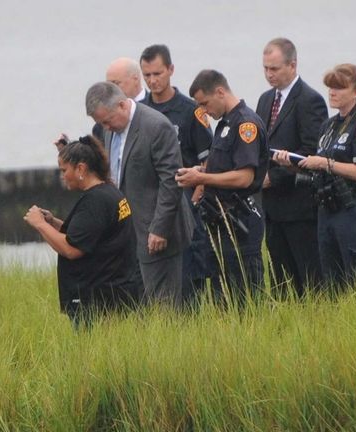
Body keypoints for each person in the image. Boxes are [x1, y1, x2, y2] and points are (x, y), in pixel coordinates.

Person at [273, 63, 356, 289]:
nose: (332, 93)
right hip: (327, 209)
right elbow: (316, 166)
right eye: (330, 87)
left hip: (352, 208)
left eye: (339, 88)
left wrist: (326, 163)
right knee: (332, 281)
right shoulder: (329, 126)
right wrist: (292, 164)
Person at [86, 81, 194, 307]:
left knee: (163, 306)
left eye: (107, 121)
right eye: (100, 123)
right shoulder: (110, 131)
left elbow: (171, 181)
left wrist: (159, 229)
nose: (105, 127)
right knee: (139, 304)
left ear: (122, 105)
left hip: (158, 232)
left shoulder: (156, 126)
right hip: (129, 231)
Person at [24, 135, 142, 328]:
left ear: (81, 168)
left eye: (64, 171)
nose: (62, 176)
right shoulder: (109, 192)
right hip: (117, 294)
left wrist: (40, 224)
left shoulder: (95, 202)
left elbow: (73, 249)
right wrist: (52, 222)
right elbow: (88, 235)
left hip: (99, 303)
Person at [175, 69, 268, 305]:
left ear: (220, 92)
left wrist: (201, 180)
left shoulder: (246, 124)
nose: (204, 111)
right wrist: (199, 172)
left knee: (244, 297)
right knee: (221, 297)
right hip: (220, 222)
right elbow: (224, 169)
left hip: (241, 221)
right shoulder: (224, 124)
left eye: (205, 103)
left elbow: (244, 177)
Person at [139, 44, 214, 304]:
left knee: (187, 286)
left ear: (170, 70)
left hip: (185, 207)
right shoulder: (139, 111)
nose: (152, 81)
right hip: (149, 209)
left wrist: (193, 202)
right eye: (146, 75)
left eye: (157, 73)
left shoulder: (191, 111)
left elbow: (209, 162)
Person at [256, 37, 327, 295]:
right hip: (271, 208)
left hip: (300, 206)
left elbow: (312, 151)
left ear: (292, 65)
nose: (269, 74)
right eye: (265, 68)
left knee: (308, 277)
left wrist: (274, 177)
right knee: (280, 279)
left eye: (274, 69)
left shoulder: (310, 100)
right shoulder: (265, 100)